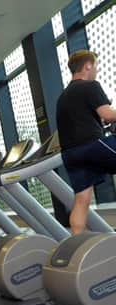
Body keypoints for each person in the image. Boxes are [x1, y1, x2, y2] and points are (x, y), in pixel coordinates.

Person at [56, 50, 116, 235]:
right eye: (95, 65)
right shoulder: (91, 86)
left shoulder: (63, 97)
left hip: (70, 154)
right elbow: (108, 115)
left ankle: (77, 244)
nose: (96, 70)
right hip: (91, 147)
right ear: (88, 65)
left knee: (81, 200)